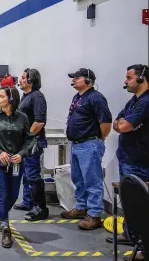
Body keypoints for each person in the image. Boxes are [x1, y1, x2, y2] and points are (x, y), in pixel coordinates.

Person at [0, 86, 34, 248]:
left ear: (10, 99)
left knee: (13, 195)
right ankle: (5, 226)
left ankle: (2, 213)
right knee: (3, 194)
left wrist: (22, 154)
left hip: (17, 163)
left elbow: (30, 139)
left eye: (1, 96)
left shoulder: (22, 118)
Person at [105, 64, 149, 257]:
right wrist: (121, 123)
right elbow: (119, 121)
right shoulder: (134, 101)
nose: (125, 81)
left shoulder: (145, 102)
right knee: (129, 202)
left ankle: (143, 244)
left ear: (141, 79)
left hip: (140, 162)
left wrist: (122, 124)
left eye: (129, 77)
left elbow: (124, 126)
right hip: (128, 158)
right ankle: (130, 234)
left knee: (140, 205)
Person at [62, 68, 112, 230]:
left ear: (88, 80)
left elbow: (105, 123)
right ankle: (81, 207)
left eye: (77, 78)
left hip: (89, 144)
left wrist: (97, 141)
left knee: (92, 180)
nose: (74, 80)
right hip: (77, 144)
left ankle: (95, 214)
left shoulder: (96, 98)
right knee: (78, 179)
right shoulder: (78, 97)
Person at [14, 68, 49, 221]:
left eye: (23, 77)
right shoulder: (26, 96)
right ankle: (28, 202)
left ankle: (40, 208)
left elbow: (39, 121)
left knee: (33, 175)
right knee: (26, 174)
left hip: (33, 142)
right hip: (26, 143)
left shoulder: (37, 97)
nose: (20, 80)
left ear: (31, 80)